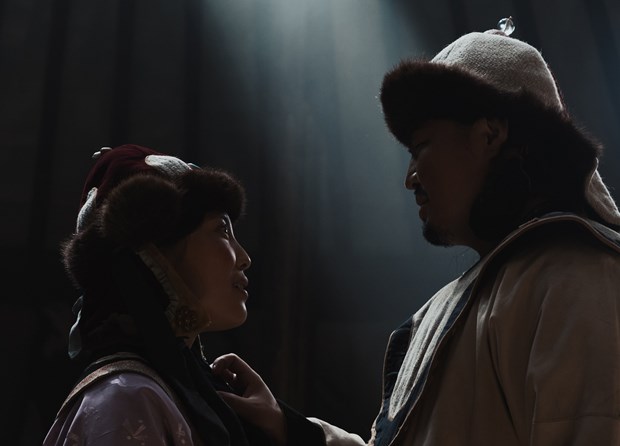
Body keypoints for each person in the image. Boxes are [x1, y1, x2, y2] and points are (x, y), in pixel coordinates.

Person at [210, 18, 620, 445]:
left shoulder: (579, 276)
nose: (410, 178)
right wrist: (288, 427)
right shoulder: (443, 310)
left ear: (489, 135)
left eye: (421, 147)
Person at [43, 144, 276, 445]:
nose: (244, 258)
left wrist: (281, 424)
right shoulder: (127, 398)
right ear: (154, 253)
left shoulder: (179, 395)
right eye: (223, 230)